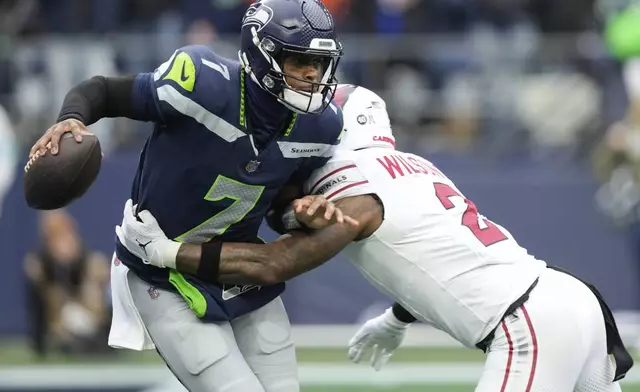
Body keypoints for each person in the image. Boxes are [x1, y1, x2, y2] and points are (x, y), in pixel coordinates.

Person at [118, 84, 633, 391]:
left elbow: (275, 264)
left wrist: (168, 252)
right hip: (573, 299)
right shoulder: (412, 167)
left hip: (531, 324)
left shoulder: (350, 190)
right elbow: (438, 256)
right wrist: (396, 316)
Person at [27, 1, 347, 391]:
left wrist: (300, 214)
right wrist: (70, 119)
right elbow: (103, 91)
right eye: (299, 61)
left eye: (320, 62)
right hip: (158, 267)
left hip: (233, 264)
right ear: (262, 57)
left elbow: (281, 206)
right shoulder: (202, 84)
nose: (313, 74)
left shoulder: (320, 126)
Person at [24, 210, 110, 358]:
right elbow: (43, 283)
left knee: (95, 289)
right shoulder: (41, 259)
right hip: (60, 316)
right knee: (55, 296)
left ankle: (101, 339)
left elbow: (97, 268)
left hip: (85, 309)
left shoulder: (84, 255)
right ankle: (58, 342)